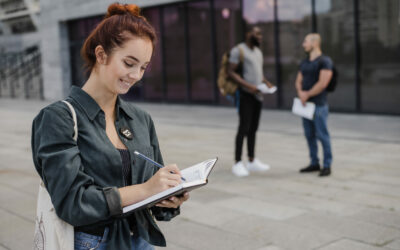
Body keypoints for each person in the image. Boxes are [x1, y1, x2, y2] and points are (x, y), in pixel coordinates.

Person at [31, 3, 189, 250]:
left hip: (140, 240)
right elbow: (73, 202)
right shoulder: (57, 118)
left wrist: (166, 195)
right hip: (91, 243)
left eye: (143, 67)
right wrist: (146, 189)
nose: (136, 75)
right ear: (101, 55)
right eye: (129, 63)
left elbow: (150, 185)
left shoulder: (140, 118)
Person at [228, 25, 276, 177]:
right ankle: (237, 163)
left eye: (261, 35)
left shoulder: (258, 52)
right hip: (245, 95)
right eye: (257, 34)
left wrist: (266, 83)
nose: (260, 37)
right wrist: (249, 86)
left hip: (258, 95)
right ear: (248, 34)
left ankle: (252, 160)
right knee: (243, 127)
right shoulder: (238, 50)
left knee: (253, 128)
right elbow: (231, 72)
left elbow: (258, 73)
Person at [295, 33, 333, 177]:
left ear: (315, 43)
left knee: (323, 136)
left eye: (306, 41)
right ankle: (314, 163)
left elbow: (323, 83)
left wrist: (307, 94)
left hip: (318, 106)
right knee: (309, 135)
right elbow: (298, 80)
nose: (304, 44)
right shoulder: (304, 62)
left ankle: (327, 165)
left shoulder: (325, 61)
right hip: (305, 106)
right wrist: (300, 92)